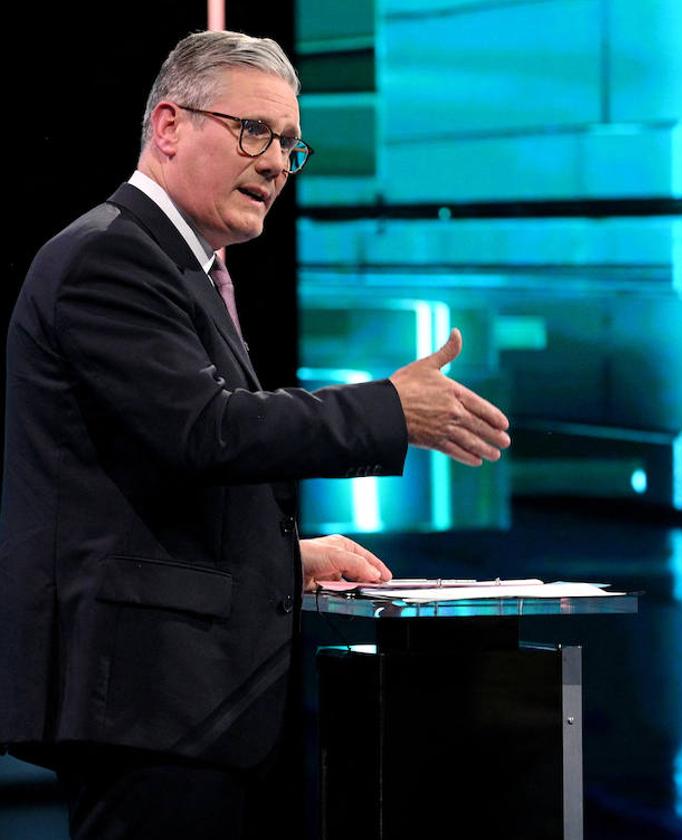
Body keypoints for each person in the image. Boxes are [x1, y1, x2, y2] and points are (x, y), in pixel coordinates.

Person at [0, 30, 511, 839]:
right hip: (145, 697)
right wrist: (388, 409)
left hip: (181, 701)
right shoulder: (109, 259)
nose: (276, 163)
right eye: (254, 132)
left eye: (288, 144)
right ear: (168, 126)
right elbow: (205, 432)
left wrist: (287, 556)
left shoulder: (182, 263)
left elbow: (147, 479)